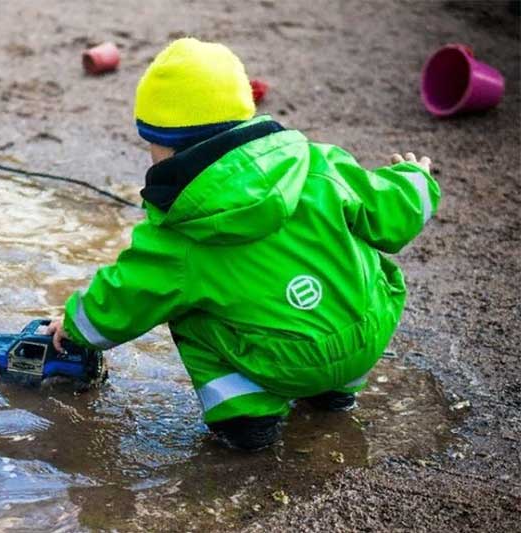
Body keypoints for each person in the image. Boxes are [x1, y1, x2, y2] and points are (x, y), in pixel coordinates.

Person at [46, 38, 440, 450]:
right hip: (365, 336)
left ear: (162, 144)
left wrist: (74, 328)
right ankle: (334, 393)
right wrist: (416, 178)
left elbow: (126, 296)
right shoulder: (319, 164)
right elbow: (392, 211)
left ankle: (246, 416)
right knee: (354, 257)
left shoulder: (178, 232)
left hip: (281, 363)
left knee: (182, 306)